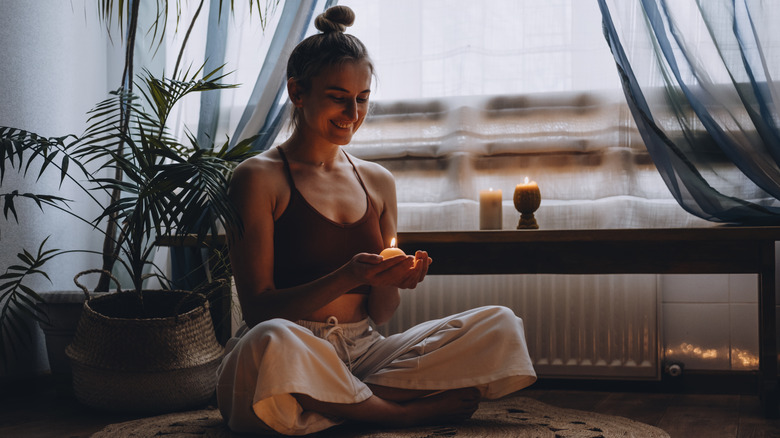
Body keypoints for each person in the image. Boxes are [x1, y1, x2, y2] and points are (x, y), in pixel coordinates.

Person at [216, 5, 537, 435]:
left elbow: (382, 315)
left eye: (362, 98)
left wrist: (393, 280)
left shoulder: (378, 181)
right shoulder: (257, 178)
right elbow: (257, 309)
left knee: (500, 323)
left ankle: (332, 403)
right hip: (294, 346)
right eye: (338, 97)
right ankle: (399, 412)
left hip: (366, 350)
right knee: (268, 343)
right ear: (297, 91)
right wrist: (348, 274)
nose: (353, 113)